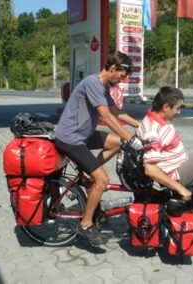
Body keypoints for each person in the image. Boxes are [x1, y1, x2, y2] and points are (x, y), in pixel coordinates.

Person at [55, 51, 143, 246]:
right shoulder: (93, 83)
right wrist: (129, 138)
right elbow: (106, 115)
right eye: (121, 76)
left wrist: (142, 126)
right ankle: (85, 225)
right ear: (112, 69)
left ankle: (88, 173)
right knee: (102, 180)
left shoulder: (103, 87)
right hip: (71, 138)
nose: (121, 80)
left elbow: (116, 112)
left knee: (117, 144)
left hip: (83, 135)